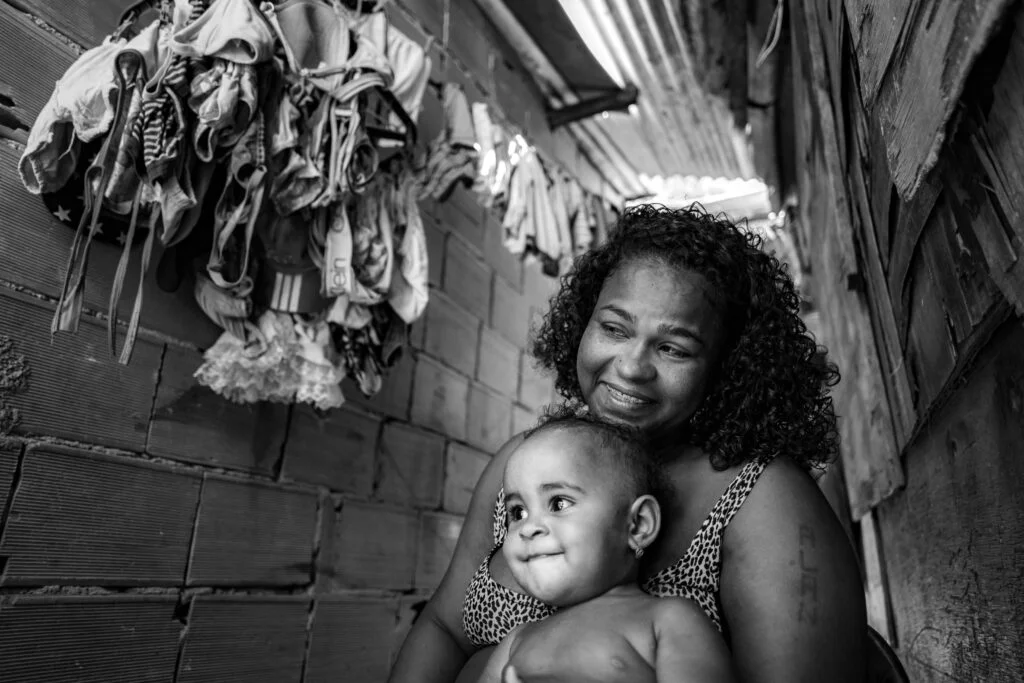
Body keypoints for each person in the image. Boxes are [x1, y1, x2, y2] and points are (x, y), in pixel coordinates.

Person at [388, 205, 867, 683]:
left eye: (673, 348)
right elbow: (442, 627)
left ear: (728, 368)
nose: (631, 367)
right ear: (584, 323)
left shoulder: (764, 499)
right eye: (614, 328)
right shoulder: (526, 462)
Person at [477, 412, 735, 683]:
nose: (529, 528)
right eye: (517, 512)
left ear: (637, 525)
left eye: (559, 503)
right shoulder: (516, 640)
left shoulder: (667, 620)